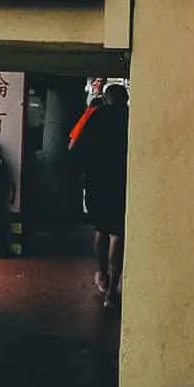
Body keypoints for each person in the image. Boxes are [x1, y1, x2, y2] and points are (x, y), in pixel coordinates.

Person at [70, 82, 129, 308]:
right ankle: (112, 290)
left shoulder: (95, 116)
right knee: (118, 233)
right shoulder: (132, 117)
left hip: (98, 182)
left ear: (106, 98)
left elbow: (73, 147)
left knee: (101, 230)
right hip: (122, 182)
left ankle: (102, 274)